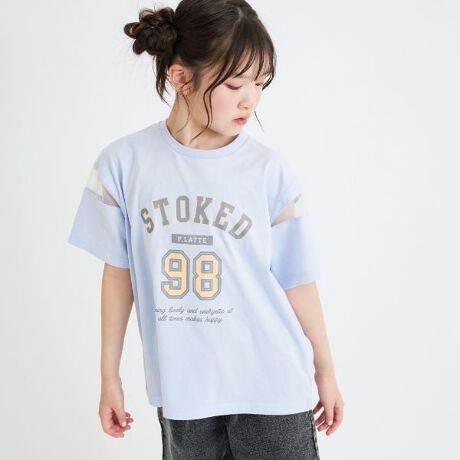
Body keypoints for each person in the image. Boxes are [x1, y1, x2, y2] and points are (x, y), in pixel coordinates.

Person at [67, 0, 344, 458]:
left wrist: (325, 370)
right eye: (235, 84)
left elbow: (297, 279)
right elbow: (119, 273)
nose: (250, 99)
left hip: (271, 386)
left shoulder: (269, 172)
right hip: (184, 390)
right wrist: (109, 376)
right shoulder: (123, 164)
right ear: (181, 78)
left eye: (260, 83)